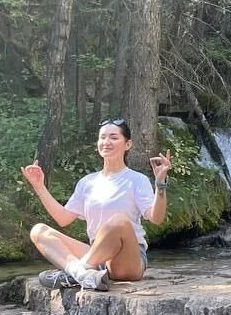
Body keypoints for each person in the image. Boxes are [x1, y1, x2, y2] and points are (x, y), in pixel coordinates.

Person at [21, 118, 173, 290]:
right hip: (97, 256)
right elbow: (63, 219)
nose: (106, 142)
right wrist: (39, 187)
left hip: (127, 259)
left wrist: (160, 185)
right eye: (102, 137)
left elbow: (156, 218)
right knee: (39, 231)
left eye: (114, 137)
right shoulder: (87, 182)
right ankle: (82, 274)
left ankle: (74, 274)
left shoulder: (137, 180)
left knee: (119, 221)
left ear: (127, 144)